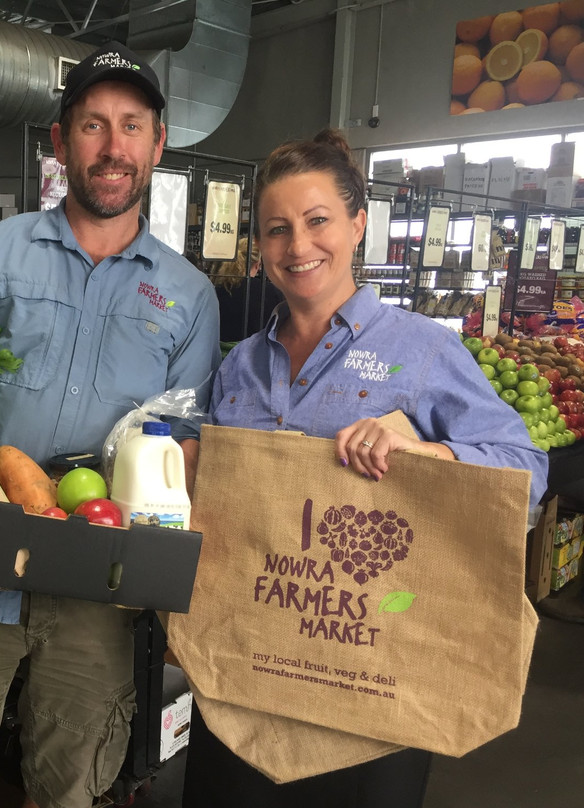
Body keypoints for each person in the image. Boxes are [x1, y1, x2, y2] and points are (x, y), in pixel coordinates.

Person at [0, 41, 221, 808]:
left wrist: (158, 578)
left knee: (73, 786)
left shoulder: (188, 294)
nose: (113, 146)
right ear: (60, 141)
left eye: (132, 126)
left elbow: (187, 449)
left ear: (158, 145)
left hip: (98, 587)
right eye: (94, 125)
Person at [182, 128, 548, 808]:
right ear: (259, 249)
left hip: (373, 683)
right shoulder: (239, 366)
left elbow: (523, 469)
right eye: (277, 230)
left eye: (318, 221)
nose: (299, 247)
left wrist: (427, 454)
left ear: (357, 225)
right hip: (247, 669)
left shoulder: (423, 351)